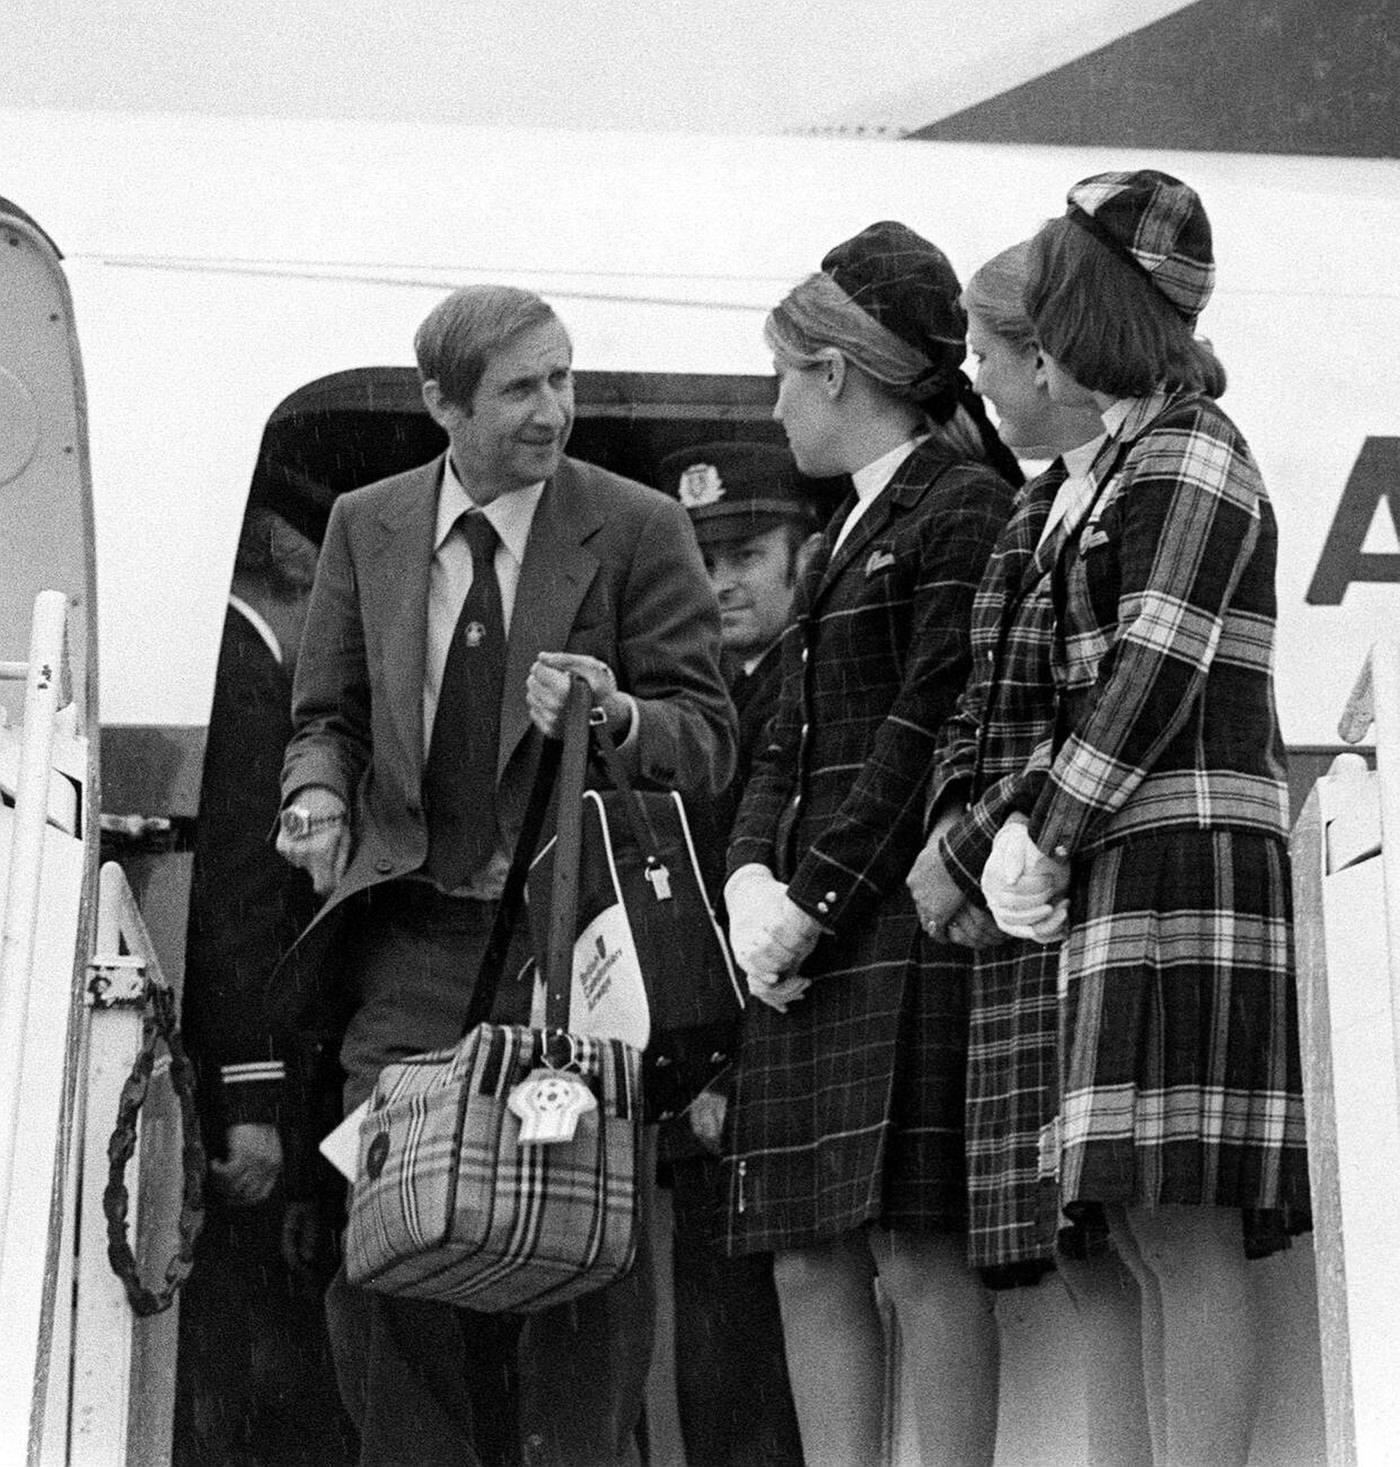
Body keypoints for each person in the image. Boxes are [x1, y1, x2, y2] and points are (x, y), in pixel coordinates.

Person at [274, 284, 736, 1467]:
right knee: (380, 1256)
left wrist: (621, 712)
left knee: (581, 1254)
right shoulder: (365, 526)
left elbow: (708, 737)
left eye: (563, 379)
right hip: (410, 951)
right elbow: (322, 714)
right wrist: (314, 792)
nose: (554, 412)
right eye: (522, 388)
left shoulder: (634, 527)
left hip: (567, 956)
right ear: (441, 403)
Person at [981, 171, 1310, 1467]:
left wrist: (1038, 829)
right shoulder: (1132, 451)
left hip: (1184, 862)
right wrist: (1040, 831)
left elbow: (1148, 670)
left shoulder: (1187, 452)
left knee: (1178, 1219)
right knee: (1133, 1218)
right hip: (1139, 859)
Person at [721, 222, 1022, 1467]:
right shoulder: (844, 526)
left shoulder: (963, 510)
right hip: (817, 932)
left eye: (785, 375)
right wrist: (745, 881)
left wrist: (811, 902)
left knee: (914, 1245)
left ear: (836, 372)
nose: (778, 403)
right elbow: (780, 738)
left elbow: (924, 725)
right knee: (804, 1254)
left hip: (897, 923)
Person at [906, 240, 1107, 1289]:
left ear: (1041, 360)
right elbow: (977, 704)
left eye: (981, 352)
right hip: (1012, 883)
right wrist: (953, 829)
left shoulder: (1144, 475)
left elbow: (1094, 704)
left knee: (1144, 1239)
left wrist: (972, 847)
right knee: (1076, 1252)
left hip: (1077, 880)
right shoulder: (1030, 505)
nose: (969, 378)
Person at [174, 508, 355, 1466]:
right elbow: (240, 897)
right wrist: (251, 1095)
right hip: (230, 1061)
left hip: (227, 1051)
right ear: (296, 559)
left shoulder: (228, 658)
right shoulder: (249, 674)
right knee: (225, 1341)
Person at [659, 439, 819, 1467]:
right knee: (718, 1370)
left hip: (774, 1068)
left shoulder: (809, 685)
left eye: (747, 551)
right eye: (700, 556)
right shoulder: (706, 696)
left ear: (807, 554)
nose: (718, 580)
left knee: (769, 1369)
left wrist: (736, 1072)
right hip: (704, 1085)